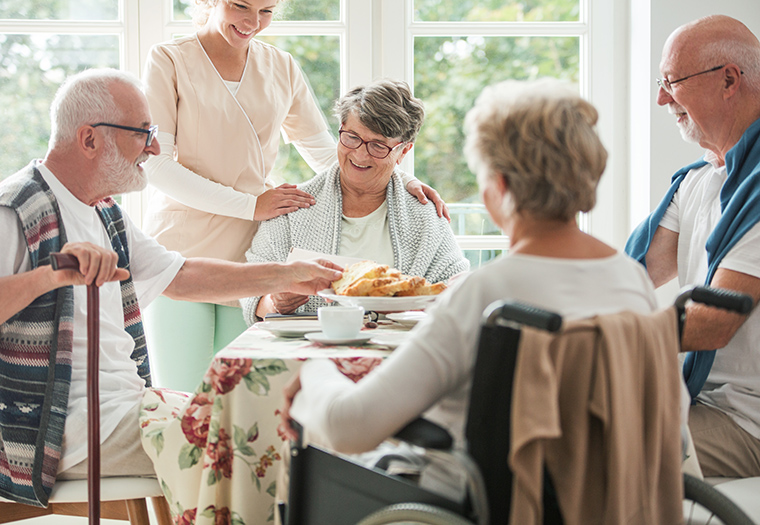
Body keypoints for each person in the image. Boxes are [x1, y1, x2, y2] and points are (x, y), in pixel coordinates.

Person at [279, 79, 660, 501]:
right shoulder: (633, 281)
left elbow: (348, 427)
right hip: (609, 501)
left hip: (480, 500)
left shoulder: (490, 295)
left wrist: (316, 370)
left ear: (497, 186)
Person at [0, 68, 342, 506]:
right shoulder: (17, 208)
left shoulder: (106, 213)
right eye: (142, 132)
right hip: (64, 429)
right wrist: (51, 276)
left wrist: (287, 274)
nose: (155, 147)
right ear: (89, 140)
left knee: (277, 421)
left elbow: (181, 276)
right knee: (255, 444)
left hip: (127, 407)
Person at [140, 0, 450, 392]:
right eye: (241, 6)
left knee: (237, 395)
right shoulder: (168, 60)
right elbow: (157, 166)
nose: (253, 22)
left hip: (250, 251)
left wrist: (401, 180)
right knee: (185, 399)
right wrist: (251, 205)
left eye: (267, 11)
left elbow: (325, 148)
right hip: (183, 249)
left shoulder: (281, 66)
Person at [625, 15, 760, 479]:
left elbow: (712, 323)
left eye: (671, 82)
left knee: (585, 442)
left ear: (728, 80)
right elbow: (627, 276)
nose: (661, 98)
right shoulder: (699, 179)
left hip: (748, 421)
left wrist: (595, 339)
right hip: (702, 399)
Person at [241, 79, 470, 322]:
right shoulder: (291, 208)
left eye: (378, 146)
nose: (360, 154)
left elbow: (457, 290)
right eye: (351, 137)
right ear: (340, 129)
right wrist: (276, 302)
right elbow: (251, 294)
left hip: (399, 351)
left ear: (403, 151)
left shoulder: (424, 215)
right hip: (310, 350)